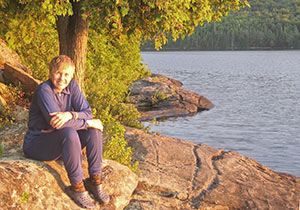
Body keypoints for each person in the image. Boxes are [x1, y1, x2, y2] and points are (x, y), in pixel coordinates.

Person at [23, 55, 109, 209]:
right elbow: (57, 124)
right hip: (38, 143)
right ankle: (77, 188)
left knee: (94, 131)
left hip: (60, 143)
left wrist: (71, 114)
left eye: (67, 74)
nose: (62, 78)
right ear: (50, 73)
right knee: (70, 132)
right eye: (58, 73)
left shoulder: (73, 87)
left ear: (72, 75)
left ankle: (95, 181)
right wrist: (87, 122)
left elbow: (87, 111)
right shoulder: (44, 90)